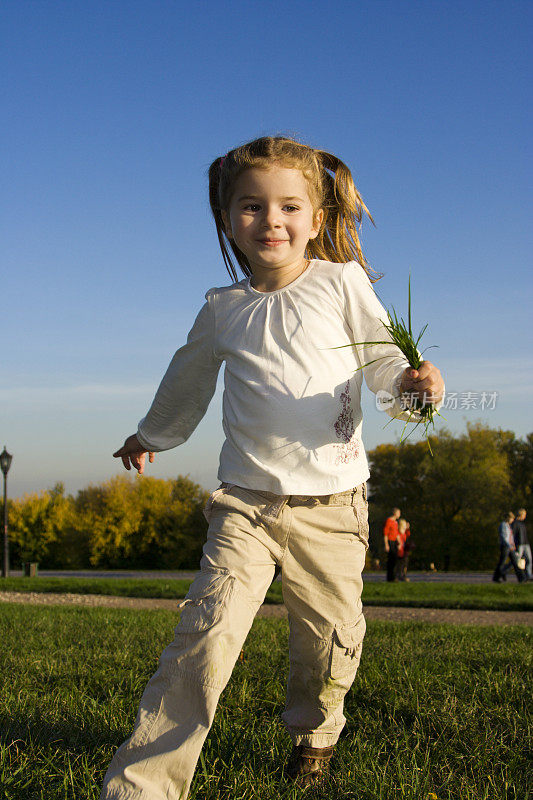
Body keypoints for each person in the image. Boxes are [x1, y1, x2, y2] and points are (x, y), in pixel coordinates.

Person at [100, 135, 444, 799]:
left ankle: (314, 736)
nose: (271, 220)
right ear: (228, 218)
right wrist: (150, 434)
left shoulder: (340, 284)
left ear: (317, 219)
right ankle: (142, 786)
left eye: (289, 206)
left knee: (325, 647)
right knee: (202, 642)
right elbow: (187, 378)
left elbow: (382, 369)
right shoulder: (223, 308)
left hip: (333, 507)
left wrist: (414, 389)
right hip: (245, 506)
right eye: (251, 207)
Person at [492, 512, 525, 583]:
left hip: (510, 547)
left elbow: (511, 537)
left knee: (515, 562)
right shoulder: (503, 525)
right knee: (502, 562)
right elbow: (504, 537)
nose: (512, 520)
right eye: (511, 519)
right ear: (508, 518)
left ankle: (522, 578)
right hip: (505, 547)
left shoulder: (508, 525)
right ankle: (496, 577)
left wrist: (513, 545)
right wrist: (509, 546)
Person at [511, 508, 531, 581]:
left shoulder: (522, 523)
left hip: (526, 544)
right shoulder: (515, 523)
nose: (525, 516)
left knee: (529, 560)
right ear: (521, 515)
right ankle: (502, 570)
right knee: (516, 560)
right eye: (524, 515)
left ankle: (528, 575)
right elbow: (512, 534)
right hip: (519, 544)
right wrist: (514, 544)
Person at [383, 507, 401, 582]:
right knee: (391, 560)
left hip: (394, 542)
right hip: (390, 541)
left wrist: (399, 542)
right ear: (395, 513)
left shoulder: (395, 522)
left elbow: (396, 533)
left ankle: (394, 577)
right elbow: (385, 533)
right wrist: (386, 544)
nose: (399, 514)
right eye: (399, 513)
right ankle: (390, 578)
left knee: (395, 560)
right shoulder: (389, 521)